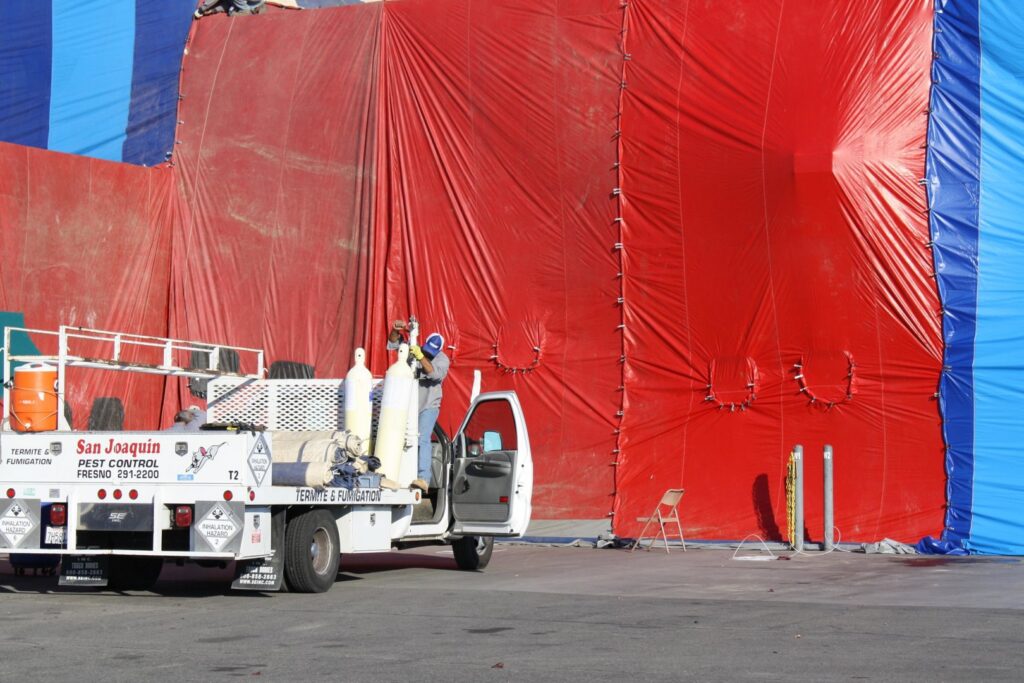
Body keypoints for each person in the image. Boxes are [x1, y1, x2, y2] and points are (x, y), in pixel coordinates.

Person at [387, 319, 449, 492]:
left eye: (430, 353)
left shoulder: (443, 360)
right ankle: (395, 474)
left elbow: (435, 374)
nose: (427, 354)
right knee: (398, 437)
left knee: (422, 438)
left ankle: (423, 478)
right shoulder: (416, 348)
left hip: (429, 405)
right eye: (425, 350)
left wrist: (421, 357)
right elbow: (393, 344)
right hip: (409, 404)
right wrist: (395, 330)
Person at [194, 0, 266, 18]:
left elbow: (229, 5)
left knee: (232, 10)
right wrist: (213, 10)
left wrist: (202, 10)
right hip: (254, 5)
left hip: (249, 8)